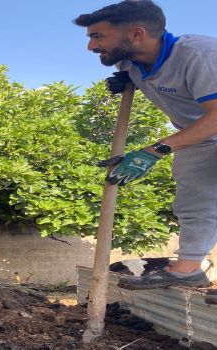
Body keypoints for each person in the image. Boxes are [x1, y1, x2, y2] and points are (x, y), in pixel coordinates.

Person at [74, 1, 217, 293]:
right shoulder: (129, 62)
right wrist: (129, 79)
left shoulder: (200, 55)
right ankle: (187, 271)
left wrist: (156, 149)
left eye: (98, 36)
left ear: (137, 33)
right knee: (193, 201)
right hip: (200, 135)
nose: (90, 46)